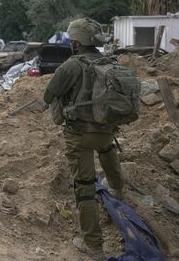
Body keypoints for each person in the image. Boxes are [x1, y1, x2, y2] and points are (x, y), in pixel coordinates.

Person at [43, 18, 124, 261]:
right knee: (107, 148)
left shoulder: (70, 66)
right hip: (106, 130)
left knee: (85, 186)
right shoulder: (110, 61)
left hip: (79, 135)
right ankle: (117, 188)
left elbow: (49, 95)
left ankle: (93, 246)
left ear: (76, 42)